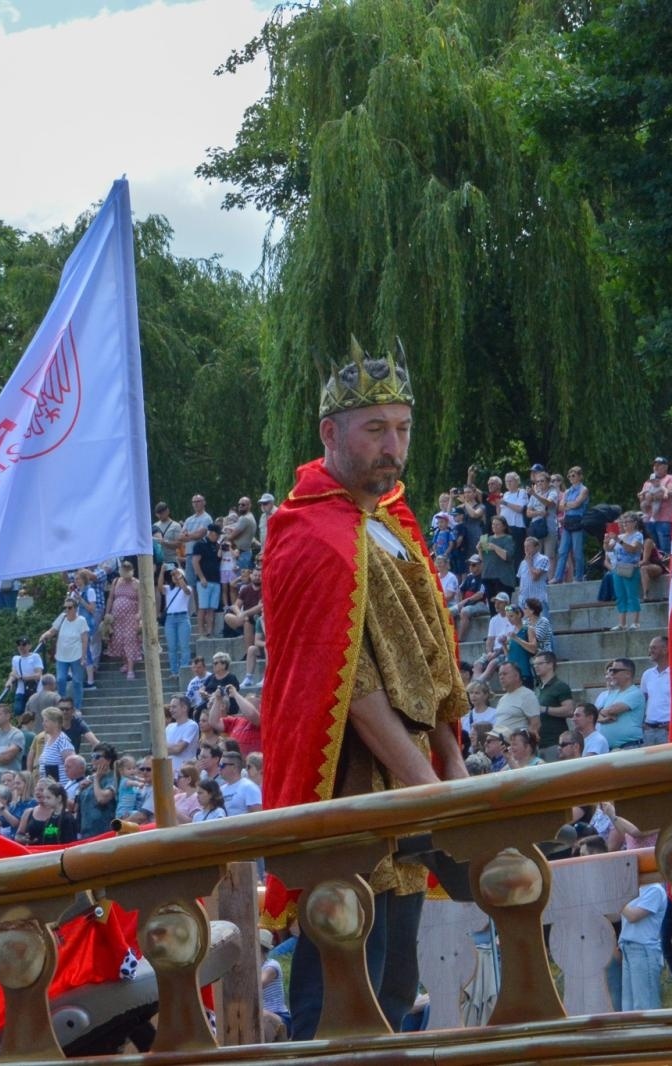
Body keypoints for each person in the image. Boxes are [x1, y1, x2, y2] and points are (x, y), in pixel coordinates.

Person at [259, 339, 467, 1040]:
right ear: (331, 433)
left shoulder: (393, 526)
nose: (393, 446)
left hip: (409, 788)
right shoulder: (306, 531)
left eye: (402, 428)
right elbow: (347, 680)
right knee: (342, 988)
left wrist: (452, 761)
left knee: (398, 987)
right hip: (350, 792)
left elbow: (432, 658)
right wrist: (428, 788)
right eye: (375, 428)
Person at [619, 881, 668, 1010]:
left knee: (644, 1006)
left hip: (644, 950)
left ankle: (652, 1030)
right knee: (628, 1008)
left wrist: (617, 898)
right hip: (627, 949)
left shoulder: (655, 889)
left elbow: (633, 916)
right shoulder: (631, 890)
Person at [595, 658, 645, 749]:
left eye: (615, 671)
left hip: (629, 746)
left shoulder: (635, 693)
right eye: (611, 670)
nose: (611, 674)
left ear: (628, 674)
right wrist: (602, 718)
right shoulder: (612, 693)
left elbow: (613, 709)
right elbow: (596, 715)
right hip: (611, 749)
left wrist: (602, 713)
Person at [105, 560, 143, 680]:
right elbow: (111, 598)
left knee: (130, 640)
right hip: (117, 618)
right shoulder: (116, 581)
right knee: (119, 640)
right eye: (123, 569)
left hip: (131, 617)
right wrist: (107, 613)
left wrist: (140, 613)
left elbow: (141, 600)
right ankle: (126, 663)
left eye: (127, 570)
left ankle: (131, 669)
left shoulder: (136, 583)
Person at [639, 637, 671, 748]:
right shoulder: (647, 675)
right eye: (650, 648)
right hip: (649, 730)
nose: (650, 651)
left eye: (654, 648)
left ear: (665, 649)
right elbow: (643, 700)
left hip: (668, 730)